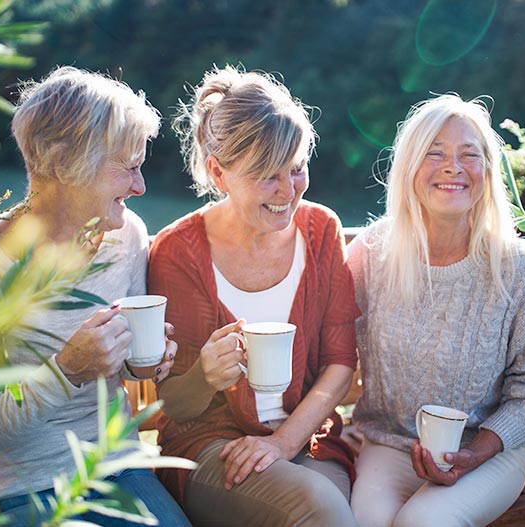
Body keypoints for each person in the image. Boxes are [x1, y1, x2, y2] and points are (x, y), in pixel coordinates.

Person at [0, 66, 190, 527]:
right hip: (11, 488)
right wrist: (65, 372)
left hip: (112, 466)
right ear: (62, 165)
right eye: (128, 168)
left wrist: (144, 360)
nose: (140, 187)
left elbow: (131, 369)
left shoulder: (125, 236)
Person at [148, 65, 359, 527]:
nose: (289, 192)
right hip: (209, 449)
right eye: (268, 176)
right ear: (218, 172)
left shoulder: (322, 231)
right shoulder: (177, 253)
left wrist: (282, 443)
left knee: (331, 508)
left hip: (306, 441)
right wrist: (205, 375)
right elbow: (176, 408)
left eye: (297, 169)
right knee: (322, 510)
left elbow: (340, 364)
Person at [347, 94, 525, 527]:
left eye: (470, 155)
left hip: (490, 450)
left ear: (488, 172)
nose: (454, 166)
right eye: (435, 153)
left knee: (424, 523)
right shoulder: (372, 253)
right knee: (364, 522)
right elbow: (326, 344)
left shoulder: (518, 271)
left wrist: (476, 452)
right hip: (391, 442)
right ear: (409, 166)